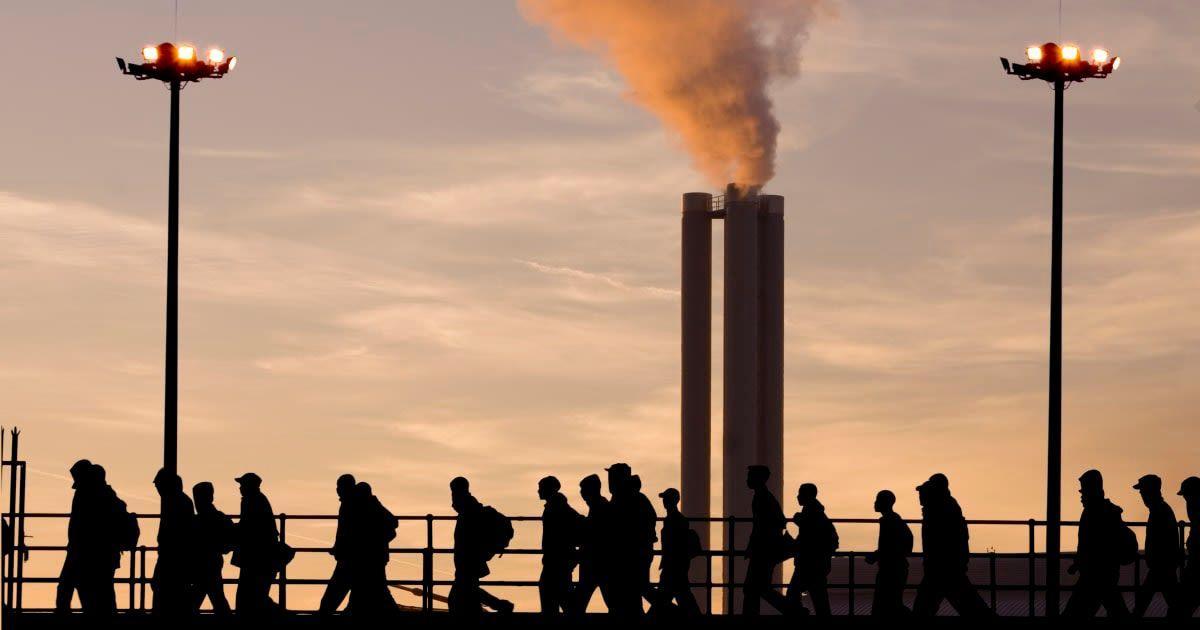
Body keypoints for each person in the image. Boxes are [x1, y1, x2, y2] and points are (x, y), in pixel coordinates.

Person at [912, 473, 991, 617]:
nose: (920, 496)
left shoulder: (939, 510)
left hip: (941, 567)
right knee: (969, 604)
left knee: (924, 607)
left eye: (924, 492)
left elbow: (940, 540)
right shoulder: (947, 506)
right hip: (946, 566)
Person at [56, 460, 122, 617]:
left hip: (83, 552)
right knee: (100, 591)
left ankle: (64, 614)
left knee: (74, 586)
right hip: (100, 553)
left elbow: (82, 526)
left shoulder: (87, 494)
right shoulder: (106, 495)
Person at [1063, 469, 1130, 618]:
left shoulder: (1091, 512)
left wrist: (1079, 563)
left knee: (1073, 614)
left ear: (1090, 490)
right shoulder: (1107, 511)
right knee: (1115, 608)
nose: (1081, 495)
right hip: (1106, 572)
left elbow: (1089, 544)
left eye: (1083, 491)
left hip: (1093, 574)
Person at [448, 477, 514, 615]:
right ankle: (500, 606)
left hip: (469, 558)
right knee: (466, 592)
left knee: (459, 595)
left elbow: (468, 538)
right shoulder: (470, 508)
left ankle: (501, 605)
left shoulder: (469, 511)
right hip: (470, 558)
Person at [605, 463, 658, 615]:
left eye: (612, 477)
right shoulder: (635, 497)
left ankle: (671, 612)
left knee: (637, 588)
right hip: (636, 552)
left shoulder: (625, 499)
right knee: (636, 590)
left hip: (632, 554)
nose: (610, 480)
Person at [742, 465, 790, 615]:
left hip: (763, 550)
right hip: (766, 549)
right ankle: (793, 610)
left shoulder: (762, 498)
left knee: (753, 588)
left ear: (759, 479)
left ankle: (793, 610)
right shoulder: (765, 497)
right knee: (759, 588)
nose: (747, 480)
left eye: (750, 476)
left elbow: (759, 527)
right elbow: (779, 522)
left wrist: (752, 546)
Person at [232, 472, 281, 618]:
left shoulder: (250, 501)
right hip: (262, 558)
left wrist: (231, 530)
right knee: (257, 596)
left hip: (255, 558)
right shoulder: (259, 499)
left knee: (249, 597)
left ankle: (281, 615)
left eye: (242, 485)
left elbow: (247, 528)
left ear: (248, 486)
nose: (240, 488)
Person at [348, 482, 400, 617]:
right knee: (373, 587)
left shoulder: (370, 506)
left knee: (373, 588)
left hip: (371, 556)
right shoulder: (372, 505)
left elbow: (393, 522)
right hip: (376, 555)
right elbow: (393, 523)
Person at [1133, 474, 1180, 617]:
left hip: (1160, 566)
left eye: (1143, 491)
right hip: (1163, 565)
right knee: (1174, 602)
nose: (1141, 495)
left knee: (1144, 601)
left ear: (1150, 491)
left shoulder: (1159, 511)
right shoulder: (1162, 510)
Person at [787, 483, 837, 616]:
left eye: (800, 493)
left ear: (807, 495)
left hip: (808, 563)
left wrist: (798, 519)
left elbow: (807, 535)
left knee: (793, 593)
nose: (797, 496)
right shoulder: (817, 513)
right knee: (819, 598)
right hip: (816, 563)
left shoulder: (811, 513)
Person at [152, 468, 195, 617]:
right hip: (175, 554)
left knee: (162, 587)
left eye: (158, 484)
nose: (157, 488)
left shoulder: (174, 502)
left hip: (172, 555)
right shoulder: (182, 501)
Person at [654, 488, 701, 616]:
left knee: (663, 601)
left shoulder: (674, 520)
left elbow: (674, 545)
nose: (664, 501)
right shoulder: (678, 519)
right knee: (683, 597)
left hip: (672, 566)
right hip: (676, 566)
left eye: (666, 499)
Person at [865, 490, 912, 616]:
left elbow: (888, 546)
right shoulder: (895, 520)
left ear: (884, 502)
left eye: (877, 500)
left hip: (890, 569)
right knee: (893, 604)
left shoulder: (889, 521)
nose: (875, 503)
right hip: (896, 568)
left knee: (885, 606)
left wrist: (876, 555)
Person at [538, 476, 580, 614]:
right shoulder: (560, 505)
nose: (538, 491)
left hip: (556, 559)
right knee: (562, 596)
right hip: (561, 559)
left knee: (552, 594)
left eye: (541, 487)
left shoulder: (556, 507)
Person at [319, 474, 360, 615]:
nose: (337, 490)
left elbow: (346, 530)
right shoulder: (352, 503)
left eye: (339, 487)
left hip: (348, 558)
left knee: (332, 597)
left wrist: (339, 547)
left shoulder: (349, 504)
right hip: (353, 557)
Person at [191, 481, 234, 615]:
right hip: (214, 560)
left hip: (203, 562)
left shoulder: (196, 520)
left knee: (203, 594)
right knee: (216, 595)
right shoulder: (220, 517)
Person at [572, 473, 612, 613]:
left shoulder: (599, 508)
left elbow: (594, 534)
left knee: (578, 603)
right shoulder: (602, 506)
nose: (582, 494)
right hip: (600, 563)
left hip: (594, 563)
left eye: (583, 490)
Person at [1174, 476, 1200, 618]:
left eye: (1186, 496)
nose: (1185, 500)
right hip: (1194, 563)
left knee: (1182, 608)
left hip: (1195, 565)